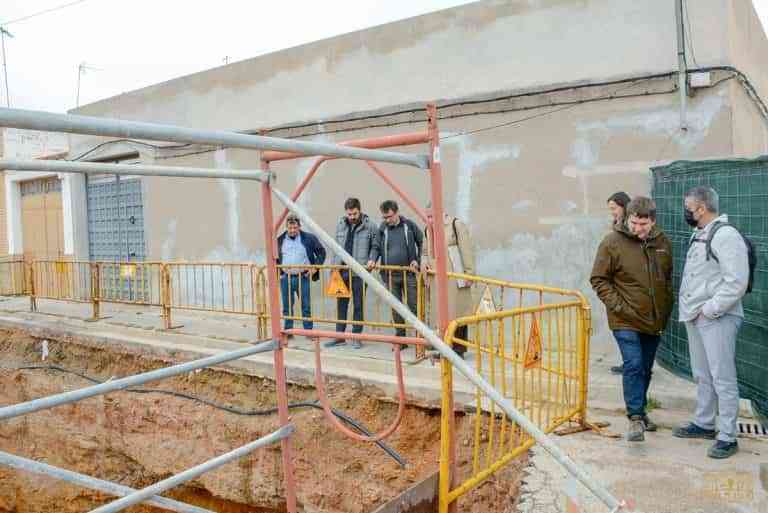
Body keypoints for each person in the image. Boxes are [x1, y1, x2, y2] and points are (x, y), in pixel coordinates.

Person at [672, 186, 750, 459]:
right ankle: (704, 423)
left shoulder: (725, 235)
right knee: (703, 374)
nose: (686, 212)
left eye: (688, 207)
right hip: (698, 315)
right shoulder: (701, 233)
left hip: (718, 317)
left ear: (701, 208)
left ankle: (728, 436)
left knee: (722, 377)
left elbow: (737, 281)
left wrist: (710, 309)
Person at [590, 197, 673, 442]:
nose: (637, 228)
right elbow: (598, 279)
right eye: (634, 223)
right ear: (628, 218)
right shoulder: (612, 242)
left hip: (653, 319)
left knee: (646, 369)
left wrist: (665, 309)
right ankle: (635, 417)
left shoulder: (662, 242)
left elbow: (667, 278)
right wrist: (618, 306)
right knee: (634, 364)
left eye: (643, 224)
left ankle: (641, 409)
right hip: (623, 318)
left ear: (653, 221)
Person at [421, 205, 476, 358]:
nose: (430, 220)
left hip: (455, 275)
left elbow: (466, 250)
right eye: (428, 217)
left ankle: (458, 349)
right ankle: (444, 348)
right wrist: (423, 262)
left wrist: (469, 273)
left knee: (458, 312)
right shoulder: (427, 230)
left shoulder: (455, 225)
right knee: (440, 315)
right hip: (436, 278)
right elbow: (425, 251)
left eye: (432, 216)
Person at [325, 198, 378, 349]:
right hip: (341, 272)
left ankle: (356, 337)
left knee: (358, 306)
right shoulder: (341, 225)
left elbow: (375, 246)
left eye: (354, 214)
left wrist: (372, 259)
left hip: (360, 273)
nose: (352, 217)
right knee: (341, 305)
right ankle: (339, 336)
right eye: (349, 214)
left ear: (359, 210)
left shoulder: (370, 226)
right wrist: (333, 268)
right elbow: (335, 247)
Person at [371, 200, 423, 346]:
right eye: (384, 217)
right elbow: (376, 247)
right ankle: (401, 339)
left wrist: (417, 261)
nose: (387, 220)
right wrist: (372, 259)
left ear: (397, 212)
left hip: (410, 274)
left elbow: (422, 242)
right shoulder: (383, 228)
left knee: (414, 306)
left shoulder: (409, 226)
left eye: (389, 216)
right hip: (390, 276)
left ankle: (421, 338)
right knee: (396, 307)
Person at [276, 214, 326, 336]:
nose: (292, 231)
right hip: (285, 278)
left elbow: (321, 252)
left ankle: (308, 331)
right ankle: (288, 332)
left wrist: (315, 267)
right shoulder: (279, 240)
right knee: (287, 306)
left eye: (295, 228)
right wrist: (279, 273)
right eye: (290, 228)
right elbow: (275, 258)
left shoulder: (309, 238)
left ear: (299, 227)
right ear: (286, 227)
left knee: (306, 305)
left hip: (303, 277)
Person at [606, 191, 631, 375]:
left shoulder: (631, 226)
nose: (612, 212)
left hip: (626, 285)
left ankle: (633, 364)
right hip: (618, 283)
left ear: (623, 206)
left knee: (626, 329)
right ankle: (629, 362)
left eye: (614, 208)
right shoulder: (618, 225)